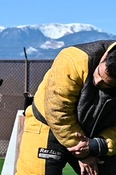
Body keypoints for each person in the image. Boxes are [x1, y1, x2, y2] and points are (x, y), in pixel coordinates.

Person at [16, 40, 116, 175]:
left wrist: (99, 145)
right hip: (48, 124)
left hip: (99, 134)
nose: (97, 81)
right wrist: (83, 152)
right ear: (105, 57)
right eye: (99, 72)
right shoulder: (74, 59)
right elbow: (58, 112)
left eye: (107, 84)